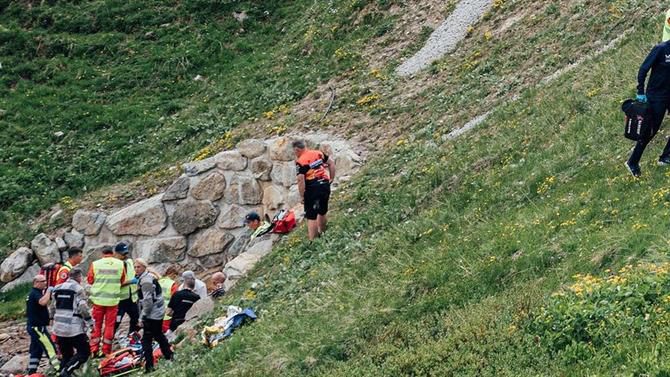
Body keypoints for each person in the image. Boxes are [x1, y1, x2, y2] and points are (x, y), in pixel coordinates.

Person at [626, 39, 670, 177]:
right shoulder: (661, 49)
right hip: (656, 96)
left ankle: (666, 157)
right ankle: (632, 162)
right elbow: (643, 69)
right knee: (651, 130)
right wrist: (640, 91)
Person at [50, 268, 92, 377]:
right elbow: (83, 307)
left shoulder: (57, 288)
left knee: (67, 355)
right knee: (84, 352)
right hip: (73, 327)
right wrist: (89, 322)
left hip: (59, 327)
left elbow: (52, 307)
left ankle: (62, 373)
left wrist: (52, 319)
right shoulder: (78, 289)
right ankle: (66, 372)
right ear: (79, 277)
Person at [134, 258, 173, 373]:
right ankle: (169, 355)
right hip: (157, 311)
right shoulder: (148, 277)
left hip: (152, 313)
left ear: (144, 267)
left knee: (146, 339)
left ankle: (149, 366)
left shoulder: (145, 281)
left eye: (138, 267)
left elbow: (148, 301)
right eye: (135, 267)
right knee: (158, 335)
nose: (136, 269)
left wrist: (142, 317)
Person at [293, 140, 336, 240]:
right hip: (324, 184)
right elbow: (331, 163)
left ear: (297, 149)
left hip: (312, 187)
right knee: (322, 211)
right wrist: (332, 178)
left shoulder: (301, 161)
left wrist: (302, 195)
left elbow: (300, 179)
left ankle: (314, 241)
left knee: (311, 216)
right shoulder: (318, 153)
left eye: (294, 152)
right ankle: (323, 232)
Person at [87, 246, 126, 356]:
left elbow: (90, 280)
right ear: (112, 253)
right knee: (109, 325)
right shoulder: (120, 264)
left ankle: (94, 349)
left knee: (96, 325)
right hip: (113, 301)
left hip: (98, 301)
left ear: (102, 254)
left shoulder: (96, 264)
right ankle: (106, 350)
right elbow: (123, 280)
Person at [26, 274, 60, 374]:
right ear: (36, 283)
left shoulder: (36, 293)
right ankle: (59, 370)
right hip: (37, 328)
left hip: (34, 326)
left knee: (36, 350)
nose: (45, 283)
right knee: (50, 348)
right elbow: (42, 302)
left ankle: (32, 372)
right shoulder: (35, 293)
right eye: (43, 281)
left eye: (45, 281)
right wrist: (49, 291)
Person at [114, 242, 140, 335]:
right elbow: (116, 283)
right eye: (123, 254)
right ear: (116, 254)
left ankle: (132, 340)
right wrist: (131, 281)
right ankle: (106, 345)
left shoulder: (129, 262)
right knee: (116, 323)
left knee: (136, 320)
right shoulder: (115, 266)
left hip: (131, 299)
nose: (125, 256)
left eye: (126, 253)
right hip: (120, 300)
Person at [158, 265, 180, 333]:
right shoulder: (172, 284)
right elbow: (176, 298)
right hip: (167, 313)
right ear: (173, 274)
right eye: (175, 276)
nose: (176, 278)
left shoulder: (160, 281)